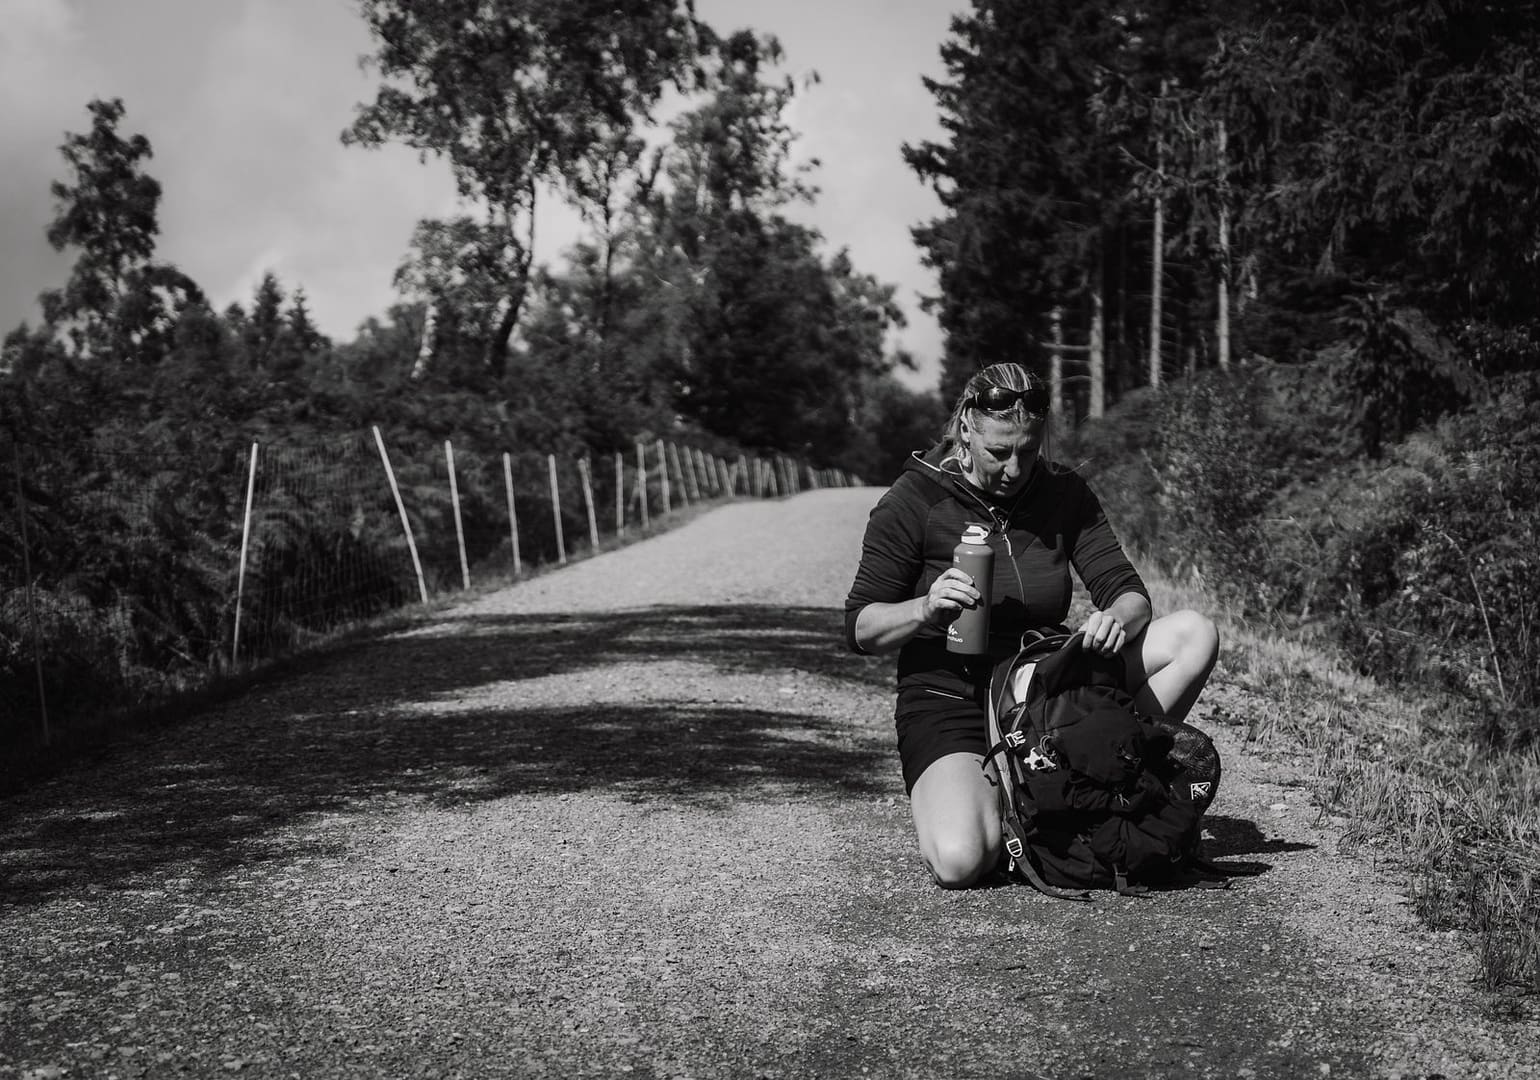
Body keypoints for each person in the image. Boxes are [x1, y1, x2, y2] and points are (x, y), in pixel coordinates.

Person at [843, 362, 1219, 888]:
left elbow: (1130, 593)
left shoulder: (1063, 492)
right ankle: (1032, 795)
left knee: (1195, 634)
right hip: (949, 696)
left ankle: (1101, 776)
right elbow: (860, 627)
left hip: (1043, 690)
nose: (1015, 468)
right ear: (966, 429)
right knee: (960, 861)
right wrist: (924, 607)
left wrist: (1115, 618)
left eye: (1028, 450)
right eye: (999, 452)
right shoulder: (914, 499)